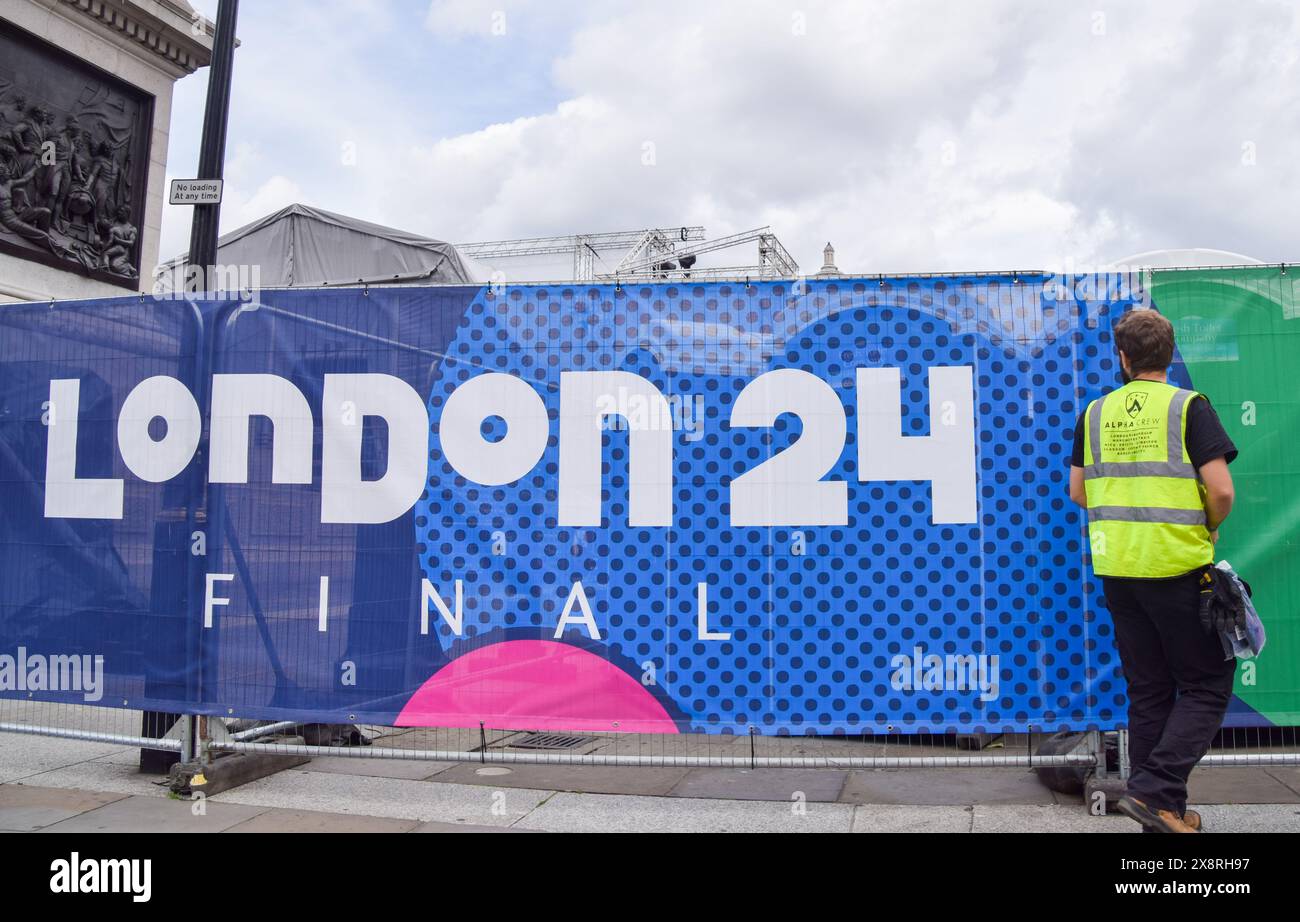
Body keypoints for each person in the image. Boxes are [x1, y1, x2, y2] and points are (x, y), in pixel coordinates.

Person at [1068, 309, 1237, 834]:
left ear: (1123, 357)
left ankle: (1159, 814)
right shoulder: (1189, 407)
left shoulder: (1095, 413)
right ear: (1168, 353)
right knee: (1208, 683)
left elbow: (1077, 492)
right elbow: (1223, 490)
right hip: (1178, 566)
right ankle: (1155, 790)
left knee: (1149, 692)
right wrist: (1207, 526)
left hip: (1119, 570)